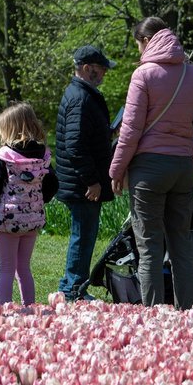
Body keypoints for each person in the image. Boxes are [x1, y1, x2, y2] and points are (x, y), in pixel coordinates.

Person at [110, 17, 193, 310]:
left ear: (147, 41)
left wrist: (116, 169)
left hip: (148, 170)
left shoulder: (143, 75)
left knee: (149, 248)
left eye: (138, 44)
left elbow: (130, 130)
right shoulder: (192, 74)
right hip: (182, 168)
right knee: (181, 246)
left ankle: (154, 317)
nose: (138, 52)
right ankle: (187, 311)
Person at [0, 102, 57, 305]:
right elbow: (53, 184)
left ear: (9, 129)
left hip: (8, 223)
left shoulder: (3, 158)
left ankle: (5, 310)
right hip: (32, 220)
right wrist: (38, 200)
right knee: (24, 267)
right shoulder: (44, 156)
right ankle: (29, 307)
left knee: (6, 268)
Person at [54, 45, 115, 301]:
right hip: (81, 183)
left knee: (84, 233)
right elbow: (75, 145)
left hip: (78, 179)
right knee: (83, 235)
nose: (104, 75)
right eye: (101, 69)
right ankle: (74, 289)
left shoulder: (82, 94)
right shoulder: (81, 98)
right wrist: (92, 180)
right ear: (88, 69)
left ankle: (71, 284)